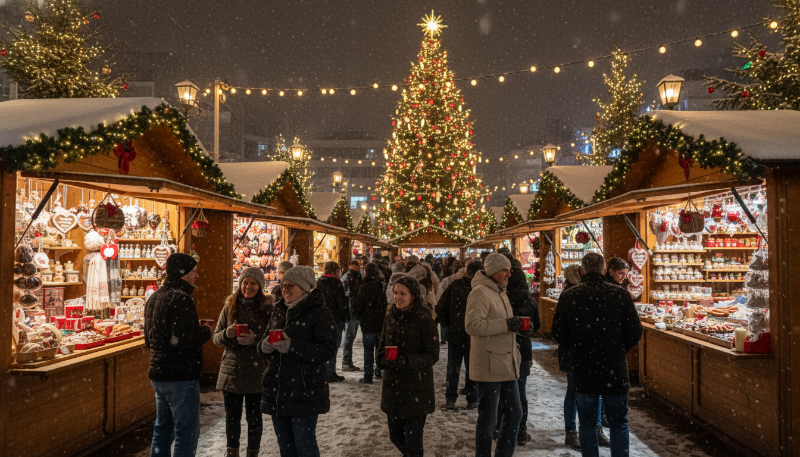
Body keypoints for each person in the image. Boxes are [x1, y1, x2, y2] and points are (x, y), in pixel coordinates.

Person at [552, 253, 643, 457]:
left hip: (584, 368)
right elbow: (635, 332)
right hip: (614, 369)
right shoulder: (620, 295)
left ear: (582, 271)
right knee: (619, 423)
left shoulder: (569, 296)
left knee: (587, 424)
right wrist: (617, 348)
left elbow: (558, 332)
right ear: (604, 271)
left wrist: (577, 348)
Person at [258, 265, 337, 457]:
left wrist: (292, 346)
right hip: (278, 389)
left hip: (304, 390)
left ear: (304, 288)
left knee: (305, 447)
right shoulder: (278, 310)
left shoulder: (319, 313)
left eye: (290, 285)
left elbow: (327, 350)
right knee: (286, 448)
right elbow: (263, 342)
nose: (285, 289)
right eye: (283, 285)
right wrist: (264, 346)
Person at [145, 253, 211, 457]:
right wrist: (206, 331)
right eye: (195, 271)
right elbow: (182, 340)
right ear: (183, 273)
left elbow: (149, 340)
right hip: (180, 375)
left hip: (159, 374)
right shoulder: (181, 298)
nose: (197, 276)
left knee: (162, 431)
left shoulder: (155, 296)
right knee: (186, 433)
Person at [465, 253, 522, 457]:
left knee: (515, 413)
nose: (509, 274)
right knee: (488, 420)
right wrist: (506, 324)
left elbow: (500, 324)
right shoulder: (480, 292)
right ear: (492, 272)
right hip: (489, 365)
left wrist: (517, 326)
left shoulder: (500, 291)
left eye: (509, 270)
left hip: (506, 363)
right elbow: (472, 325)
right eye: (504, 270)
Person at [213, 268, 273, 457]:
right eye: (245, 282)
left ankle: (252, 453)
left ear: (260, 286)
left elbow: (273, 339)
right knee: (232, 418)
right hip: (231, 370)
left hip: (257, 371)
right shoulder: (230, 305)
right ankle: (232, 453)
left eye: (253, 283)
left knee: (254, 418)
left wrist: (256, 340)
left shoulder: (268, 308)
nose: (248, 286)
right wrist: (226, 334)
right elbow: (215, 338)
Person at [377, 275, 440, 457]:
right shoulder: (390, 317)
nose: (397, 297)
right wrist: (381, 359)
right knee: (395, 436)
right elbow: (381, 347)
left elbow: (432, 355)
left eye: (402, 293)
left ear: (413, 296)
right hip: (393, 389)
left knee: (413, 442)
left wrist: (406, 361)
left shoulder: (424, 319)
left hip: (417, 389)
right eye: (395, 293)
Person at [494, 256, 539, 446]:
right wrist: (526, 330)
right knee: (520, 392)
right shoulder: (529, 300)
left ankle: (500, 426)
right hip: (523, 350)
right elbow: (536, 325)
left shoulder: (500, 298)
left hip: (502, 349)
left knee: (501, 391)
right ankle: (520, 430)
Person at [436, 259, 482, 410]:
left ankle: (450, 399)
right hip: (474, 335)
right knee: (473, 368)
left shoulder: (455, 286)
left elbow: (441, 307)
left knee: (453, 368)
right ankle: (472, 398)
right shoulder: (480, 289)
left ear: (467, 271)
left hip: (456, 334)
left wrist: (447, 325)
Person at [354, 263, 388, 383]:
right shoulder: (382, 286)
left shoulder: (364, 287)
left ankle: (368, 376)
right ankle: (379, 370)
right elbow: (385, 303)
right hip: (380, 323)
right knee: (379, 349)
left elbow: (359, 305)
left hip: (368, 324)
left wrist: (359, 315)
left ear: (366, 272)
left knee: (368, 351)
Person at [316, 261, 350, 383]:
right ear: (336, 270)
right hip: (335, 318)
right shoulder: (336, 283)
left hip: (321, 318)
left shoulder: (319, 282)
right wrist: (347, 315)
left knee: (323, 345)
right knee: (334, 345)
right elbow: (341, 303)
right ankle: (330, 372)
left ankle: (323, 370)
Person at [341, 260, 364, 372]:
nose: (358, 268)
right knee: (349, 337)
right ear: (351, 266)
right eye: (356, 266)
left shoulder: (358, 276)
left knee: (351, 337)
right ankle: (346, 361)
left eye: (358, 266)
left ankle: (348, 361)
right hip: (351, 310)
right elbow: (345, 294)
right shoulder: (347, 277)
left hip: (355, 309)